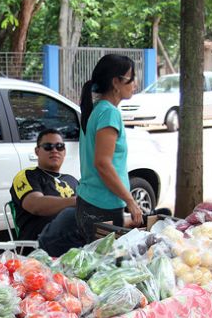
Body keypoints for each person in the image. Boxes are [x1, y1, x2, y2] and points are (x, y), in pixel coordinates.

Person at [75, 54, 143, 242]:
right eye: (131, 78)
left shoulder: (97, 108)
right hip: (102, 206)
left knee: (97, 264)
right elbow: (102, 163)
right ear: (116, 82)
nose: (134, 84)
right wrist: (130, 201)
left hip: (90, 202)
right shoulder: (109, 113)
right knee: (109, 267)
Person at [10, 129, 83, 256]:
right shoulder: (28, 175)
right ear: (37, 151)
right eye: (48, 146)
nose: (54, 150)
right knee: (71, 214)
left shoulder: (72, 180)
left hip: (76, 247)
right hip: (40, 248)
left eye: (59, 146)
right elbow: (36, 205)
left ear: (64, 152)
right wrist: (78, 201)